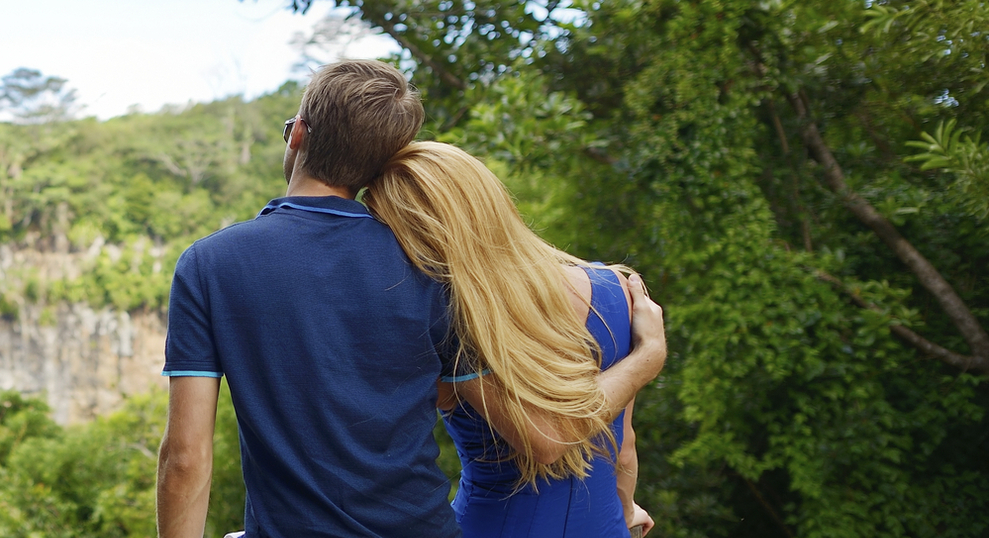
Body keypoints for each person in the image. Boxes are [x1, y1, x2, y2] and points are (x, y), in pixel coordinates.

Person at [154, 60, 667, 538]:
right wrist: (645, 357)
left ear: (300, 133)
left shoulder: (208, 264)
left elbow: (185, 460)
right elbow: (545, 434)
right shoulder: (431, 267)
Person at [367, 141, 660, 537]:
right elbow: (622, 447)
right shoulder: (614, 288)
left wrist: (648, 359)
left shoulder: (453, 322)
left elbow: (547, 440)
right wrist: (625, 511)